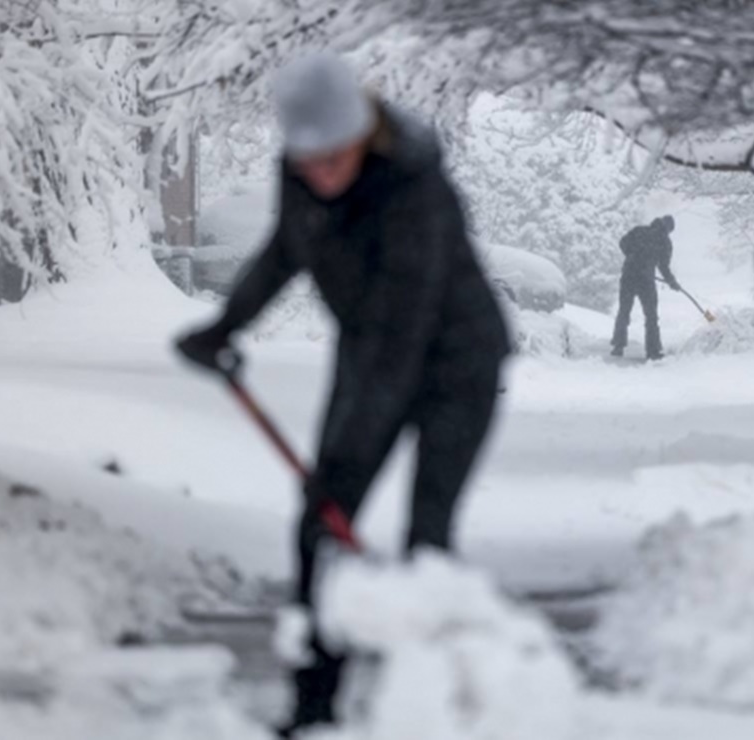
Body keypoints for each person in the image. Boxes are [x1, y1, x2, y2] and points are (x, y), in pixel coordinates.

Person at [174, 53, 510, 736]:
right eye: (308, 161)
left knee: (427, 536)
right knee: (318, 527)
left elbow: (403, 328)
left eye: (334, 157)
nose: (320, 174)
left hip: (457, 365)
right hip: (369, 350)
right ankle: (314, 706)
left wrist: (344, 454)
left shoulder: (417, 190)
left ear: (362, 136)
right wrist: (225, 325)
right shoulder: (300, 174)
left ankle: (434, 709)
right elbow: (284, 252)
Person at [611, 215, 680, 360]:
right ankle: (653, 351)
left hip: (628, 276)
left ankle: (618, 346)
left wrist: (631, 256)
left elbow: (623, 243)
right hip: (646, 281)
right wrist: (672, 282)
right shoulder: (665, 242)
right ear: (668, 229)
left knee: (624, 311)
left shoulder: (639, 230)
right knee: (651, 316)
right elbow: (664, 267)